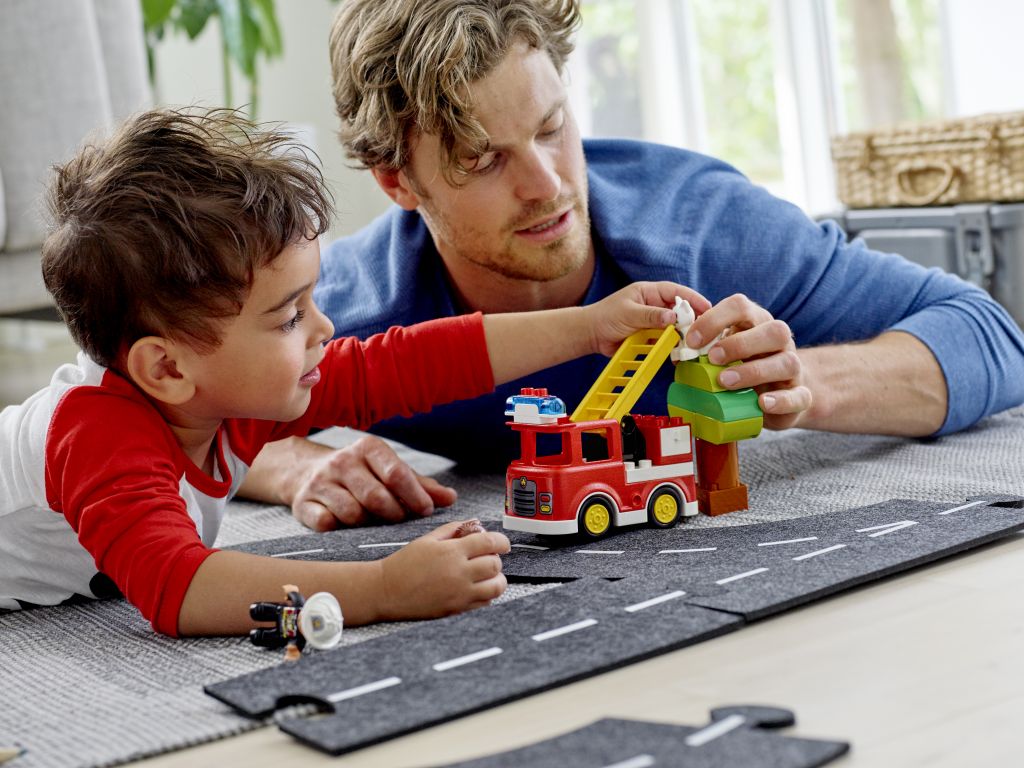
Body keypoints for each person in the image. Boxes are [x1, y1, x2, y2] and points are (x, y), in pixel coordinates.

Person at [242, 0, 1024, 532]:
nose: (547, 184)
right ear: (398, 183)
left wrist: (803, 385)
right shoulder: (353, 307)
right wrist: (293, 465)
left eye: (552, 127)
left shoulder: (707, 228)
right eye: (483, 160)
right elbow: (185, 403)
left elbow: (990, 336)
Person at [0, 106, 702, 637]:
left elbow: (410, 363)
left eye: (311, 302)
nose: (324, 329)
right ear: (166, 367)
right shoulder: (95, 432)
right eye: (288, 317)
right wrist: (384, 589)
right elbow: (180, 591)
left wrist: (588, 326)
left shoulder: (226, 392)